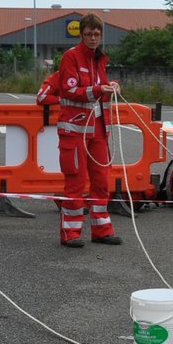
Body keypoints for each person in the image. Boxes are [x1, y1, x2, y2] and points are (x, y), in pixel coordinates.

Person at [55, 14, 122, 247]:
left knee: (101, 181)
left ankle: (102, 230)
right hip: (75, 132)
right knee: (76, 182)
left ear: (101, 35)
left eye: (97, 33)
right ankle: (70, 234)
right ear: (81, 34)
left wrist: (111, 87)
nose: (93, 37)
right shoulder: (71, 57)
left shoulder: (100, 60)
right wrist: (97, 88)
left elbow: (97, 90)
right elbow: (69, 89)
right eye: (89, 33)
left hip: (99, 132)